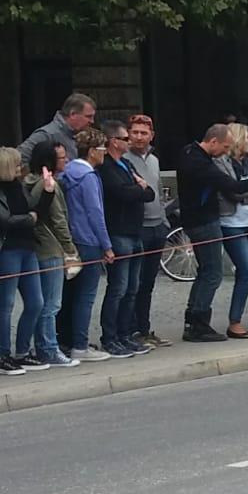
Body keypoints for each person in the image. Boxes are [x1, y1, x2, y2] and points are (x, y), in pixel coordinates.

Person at [177, 124, 248, 341]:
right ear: (212, 142)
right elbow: (235, 188)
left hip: (199, 219)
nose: (225, 151)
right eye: (224, 146)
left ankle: (194, 319)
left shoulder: (189, 152)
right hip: (204, 221)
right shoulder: (201, 163)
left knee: (207, 271)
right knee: (212, 273)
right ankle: (198, 323)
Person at [97, 120, 155, 358]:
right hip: (118, 231)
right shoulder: (106, 166)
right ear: (114, 141)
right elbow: (119, 193)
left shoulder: (127, 163)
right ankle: (110, 337)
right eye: (125, 138)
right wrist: (138, 188)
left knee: (133, 287)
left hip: (135, 231)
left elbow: (149, 192)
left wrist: (140, 188)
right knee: (118, 288)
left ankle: (125, 334)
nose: (129, 142)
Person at [25, 140, 79, 368]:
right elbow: (58, 221)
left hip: (40, 248)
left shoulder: (29, 181)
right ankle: (48, 349)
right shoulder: (49, 186)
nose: (66, 160)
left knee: (43, 302)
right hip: (50, 248)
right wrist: (70, 248)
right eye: (61, 157)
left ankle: (44, 347)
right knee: (51, 304)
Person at [59, 125, 112, 361]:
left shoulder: (67, 171)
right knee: (86, 295)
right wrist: (107, 245)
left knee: (69, 294)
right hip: (88, 240)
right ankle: (80, 345)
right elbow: (95, 214)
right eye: (102, 148)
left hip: (71, 238)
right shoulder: (89, 176)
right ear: (92, 151)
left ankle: (67, 341)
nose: (104, 152)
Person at [214, 122, 248, 338]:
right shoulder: (222, 164)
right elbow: (234, 194)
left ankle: (246, 315)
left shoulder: (246, 163)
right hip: (232, 224)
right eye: (246, 137)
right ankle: (234, 321)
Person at [0, 147, 46, 374]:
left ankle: (22, 351)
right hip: (7, 250)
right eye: (16, 165)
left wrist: (46, 192)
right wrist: (29, 219)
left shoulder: (18, 186)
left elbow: (35, 208)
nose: (20, 168)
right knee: (5, 305)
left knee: (36, 302)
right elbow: (5, 221)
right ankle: (3, 354)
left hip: (28, 247)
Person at [127, 114, 171, 348]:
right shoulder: (123, 159)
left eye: (144, 133)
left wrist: (164, 221)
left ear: (151, 135)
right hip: (138, 228)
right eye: (135, 132)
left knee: (148, 284)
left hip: (157, 227)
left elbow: (158, 191)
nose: (139, 137)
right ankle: (130, 330)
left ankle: (143, 329)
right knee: (132, 284)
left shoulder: (153, 159)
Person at [18, 91, 96, 167]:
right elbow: (17, 158)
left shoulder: (77, 135)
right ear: (72, 114)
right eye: (88, 116)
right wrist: (36, 179)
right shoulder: (47, 134)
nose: (92, 121)